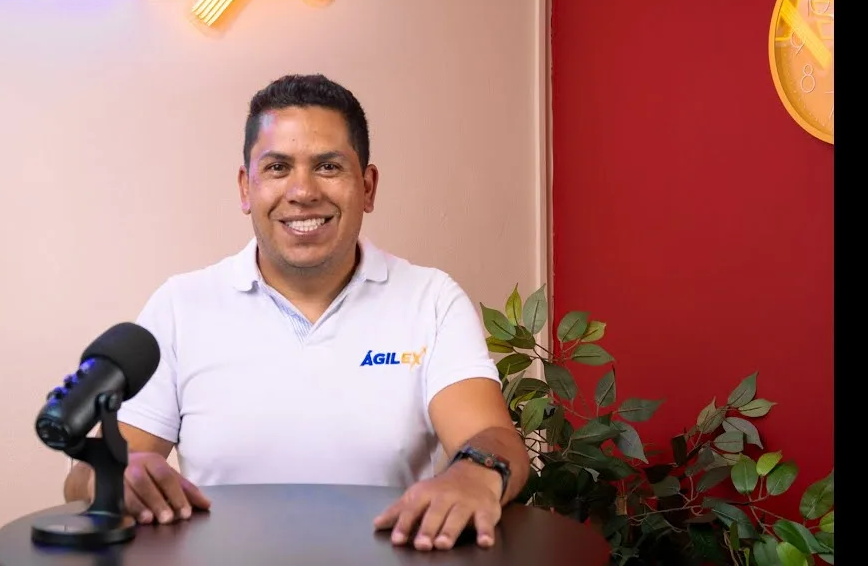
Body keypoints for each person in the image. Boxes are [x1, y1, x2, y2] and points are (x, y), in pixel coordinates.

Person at [63, 74, 530, 551]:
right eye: (278, 167)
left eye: (328, 166)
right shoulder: (180, 307)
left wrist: (474, 475)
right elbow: (86, 477)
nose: (302, 191)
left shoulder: (430, 299)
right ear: (246, 188)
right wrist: (115, 477)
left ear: (367, 187)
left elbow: (490, 434)